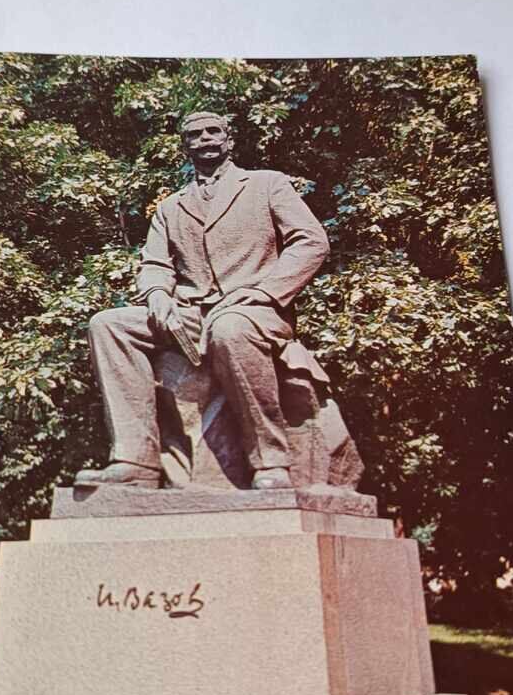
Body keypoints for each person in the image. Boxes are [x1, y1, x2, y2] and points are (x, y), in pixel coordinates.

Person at [76, 111, 331, 491]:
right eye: (195, 135)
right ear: (186, 146)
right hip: (192, 313)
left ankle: (271, 461)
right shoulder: (171, 206)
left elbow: (312, 241)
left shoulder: (266, 184)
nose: (205, 139)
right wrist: (159, 295)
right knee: (108, 324)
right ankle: (135, 460)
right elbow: (155, 264)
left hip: (253, 312)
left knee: (230, 330)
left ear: (229, 139)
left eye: (214, 132)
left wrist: (264, 292)